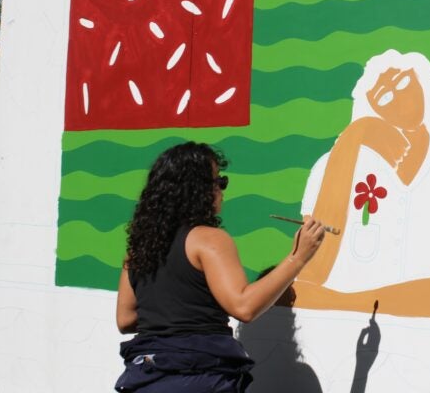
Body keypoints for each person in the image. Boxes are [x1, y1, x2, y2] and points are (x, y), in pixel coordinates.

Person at [294, 49, 430, 319]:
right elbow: (308, 275)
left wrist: (352, 304)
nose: (398, 100)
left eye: (404, 83)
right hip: (344, 342)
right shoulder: (332, 165)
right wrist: (352, 139)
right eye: (383, 96)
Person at [115, 142, 325, 392]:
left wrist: (173, 314)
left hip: (147, 377)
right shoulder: (209, 239)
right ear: (198, 189)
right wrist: (298, 257)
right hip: (199, 378)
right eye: (219, 181)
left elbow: (125, 319)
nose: (222, 190)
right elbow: (244, 307)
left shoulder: (139, 247)